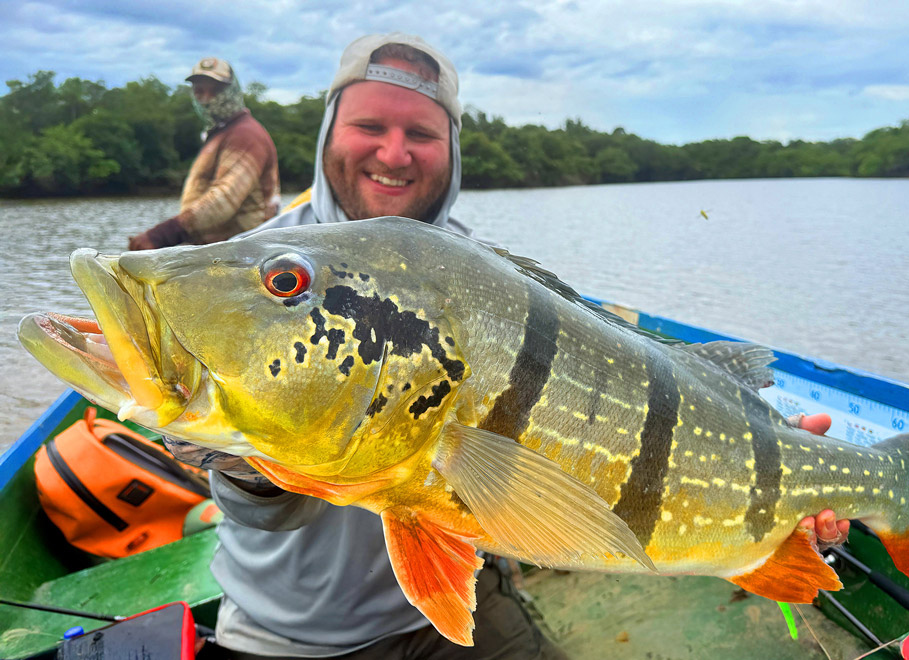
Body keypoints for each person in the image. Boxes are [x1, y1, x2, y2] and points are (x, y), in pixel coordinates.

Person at [164, 33, 848, 658]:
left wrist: (769, 470)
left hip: (465, 595)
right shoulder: (257, 273)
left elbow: (594, 438)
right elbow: (260, 504)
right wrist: (246, 458)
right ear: (326, 135)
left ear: (452, 149)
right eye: (370, 126)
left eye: (421, 133)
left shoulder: (490, 278)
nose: (394, 152)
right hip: (288, 634)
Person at [128, 57, 280, 251]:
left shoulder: (245, 135)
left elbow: (224, 199)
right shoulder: (220, 133)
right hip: (217, 252)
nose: (207, 98)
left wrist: (161, 236)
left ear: (233, 90)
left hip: (244, 254)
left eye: (216, 90)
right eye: (199, 91)